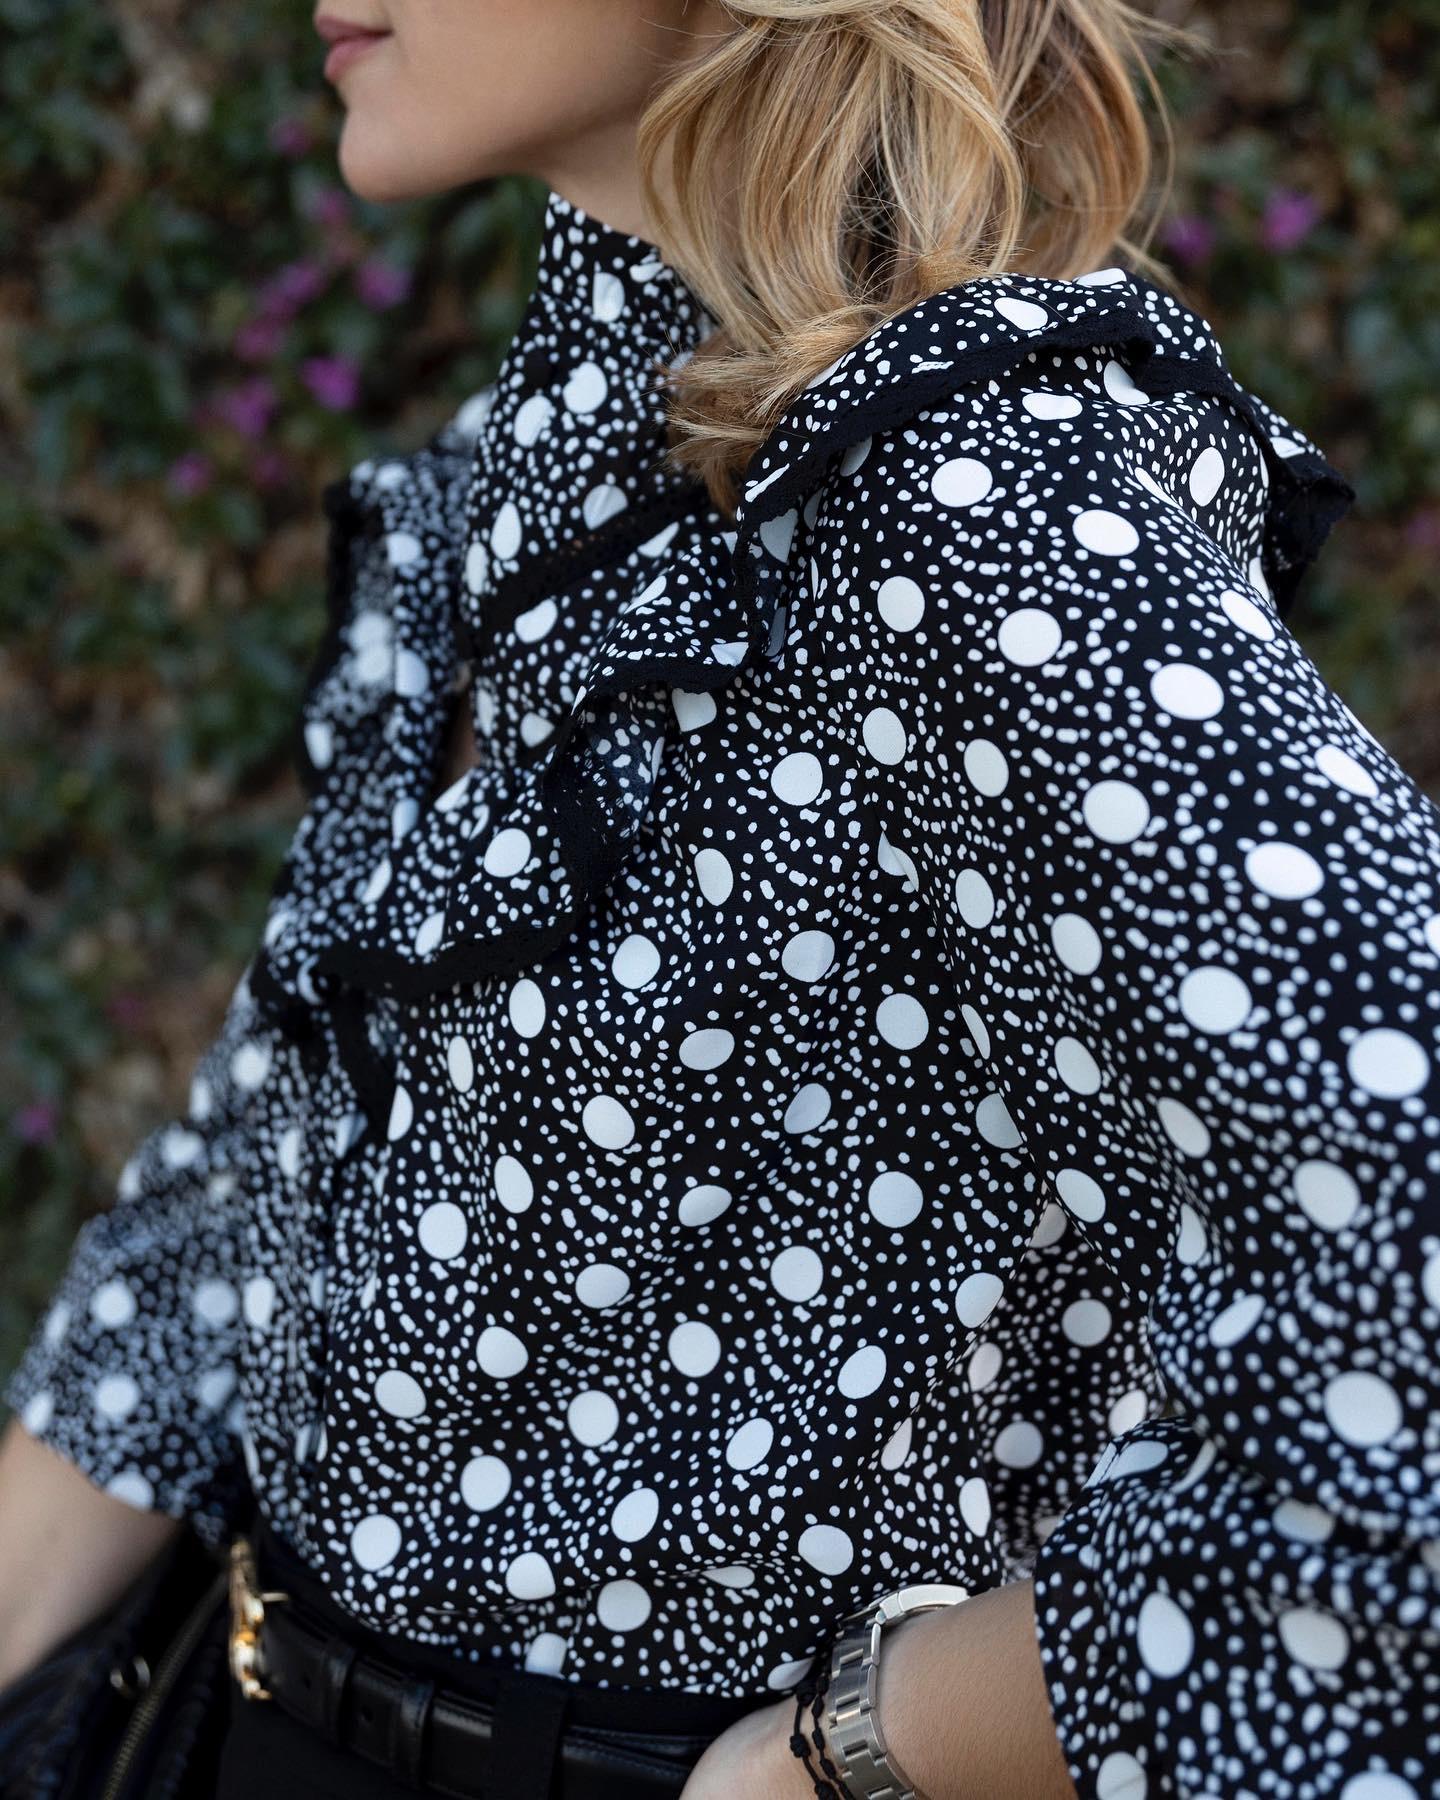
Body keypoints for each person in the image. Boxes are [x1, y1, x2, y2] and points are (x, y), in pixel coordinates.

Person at [2, 0, 1437, 1793]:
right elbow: (256, 1203)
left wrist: (853, 1751)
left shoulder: (971, 503)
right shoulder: (509, 483)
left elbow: (1406, 1316)